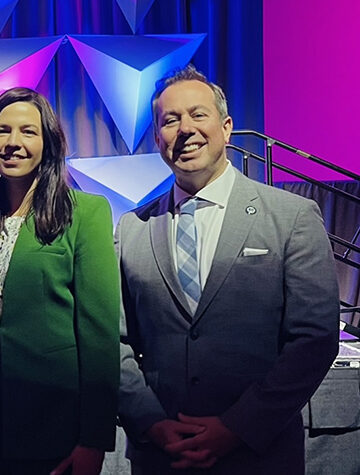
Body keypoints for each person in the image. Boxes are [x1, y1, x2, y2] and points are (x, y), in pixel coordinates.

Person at [117, 65, 339, 474]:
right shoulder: (131, 229)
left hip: (259, 455)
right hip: (162, 459)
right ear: (157, 138)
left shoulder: (292, 217)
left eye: (198, 115)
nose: (185, 129)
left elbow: (315, 339)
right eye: (170, 120)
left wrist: (236, 428)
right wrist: (153, 423)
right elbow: (114, 343)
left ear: (227, 127)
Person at [0, 87, 121, 475]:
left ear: (49, 143)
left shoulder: (86, 213)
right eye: (2, 131)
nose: (13, 143)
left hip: (52, 425)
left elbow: (99, 333)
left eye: (28, 132)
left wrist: (94, 439)